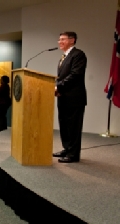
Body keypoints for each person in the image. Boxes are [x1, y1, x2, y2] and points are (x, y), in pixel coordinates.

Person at [53, 31, 87, 163]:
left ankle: (73, 154)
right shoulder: (63, 57)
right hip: (63, 97)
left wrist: (58, 87)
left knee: (73, 127)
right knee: (64, 125)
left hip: (74, 98)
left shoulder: (78, 55)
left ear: (72, 40)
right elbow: (61, 77)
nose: (59, 42)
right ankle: (67, 148)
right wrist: (58, 88)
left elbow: (75, 75)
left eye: (62, 39)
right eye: (59, 39)